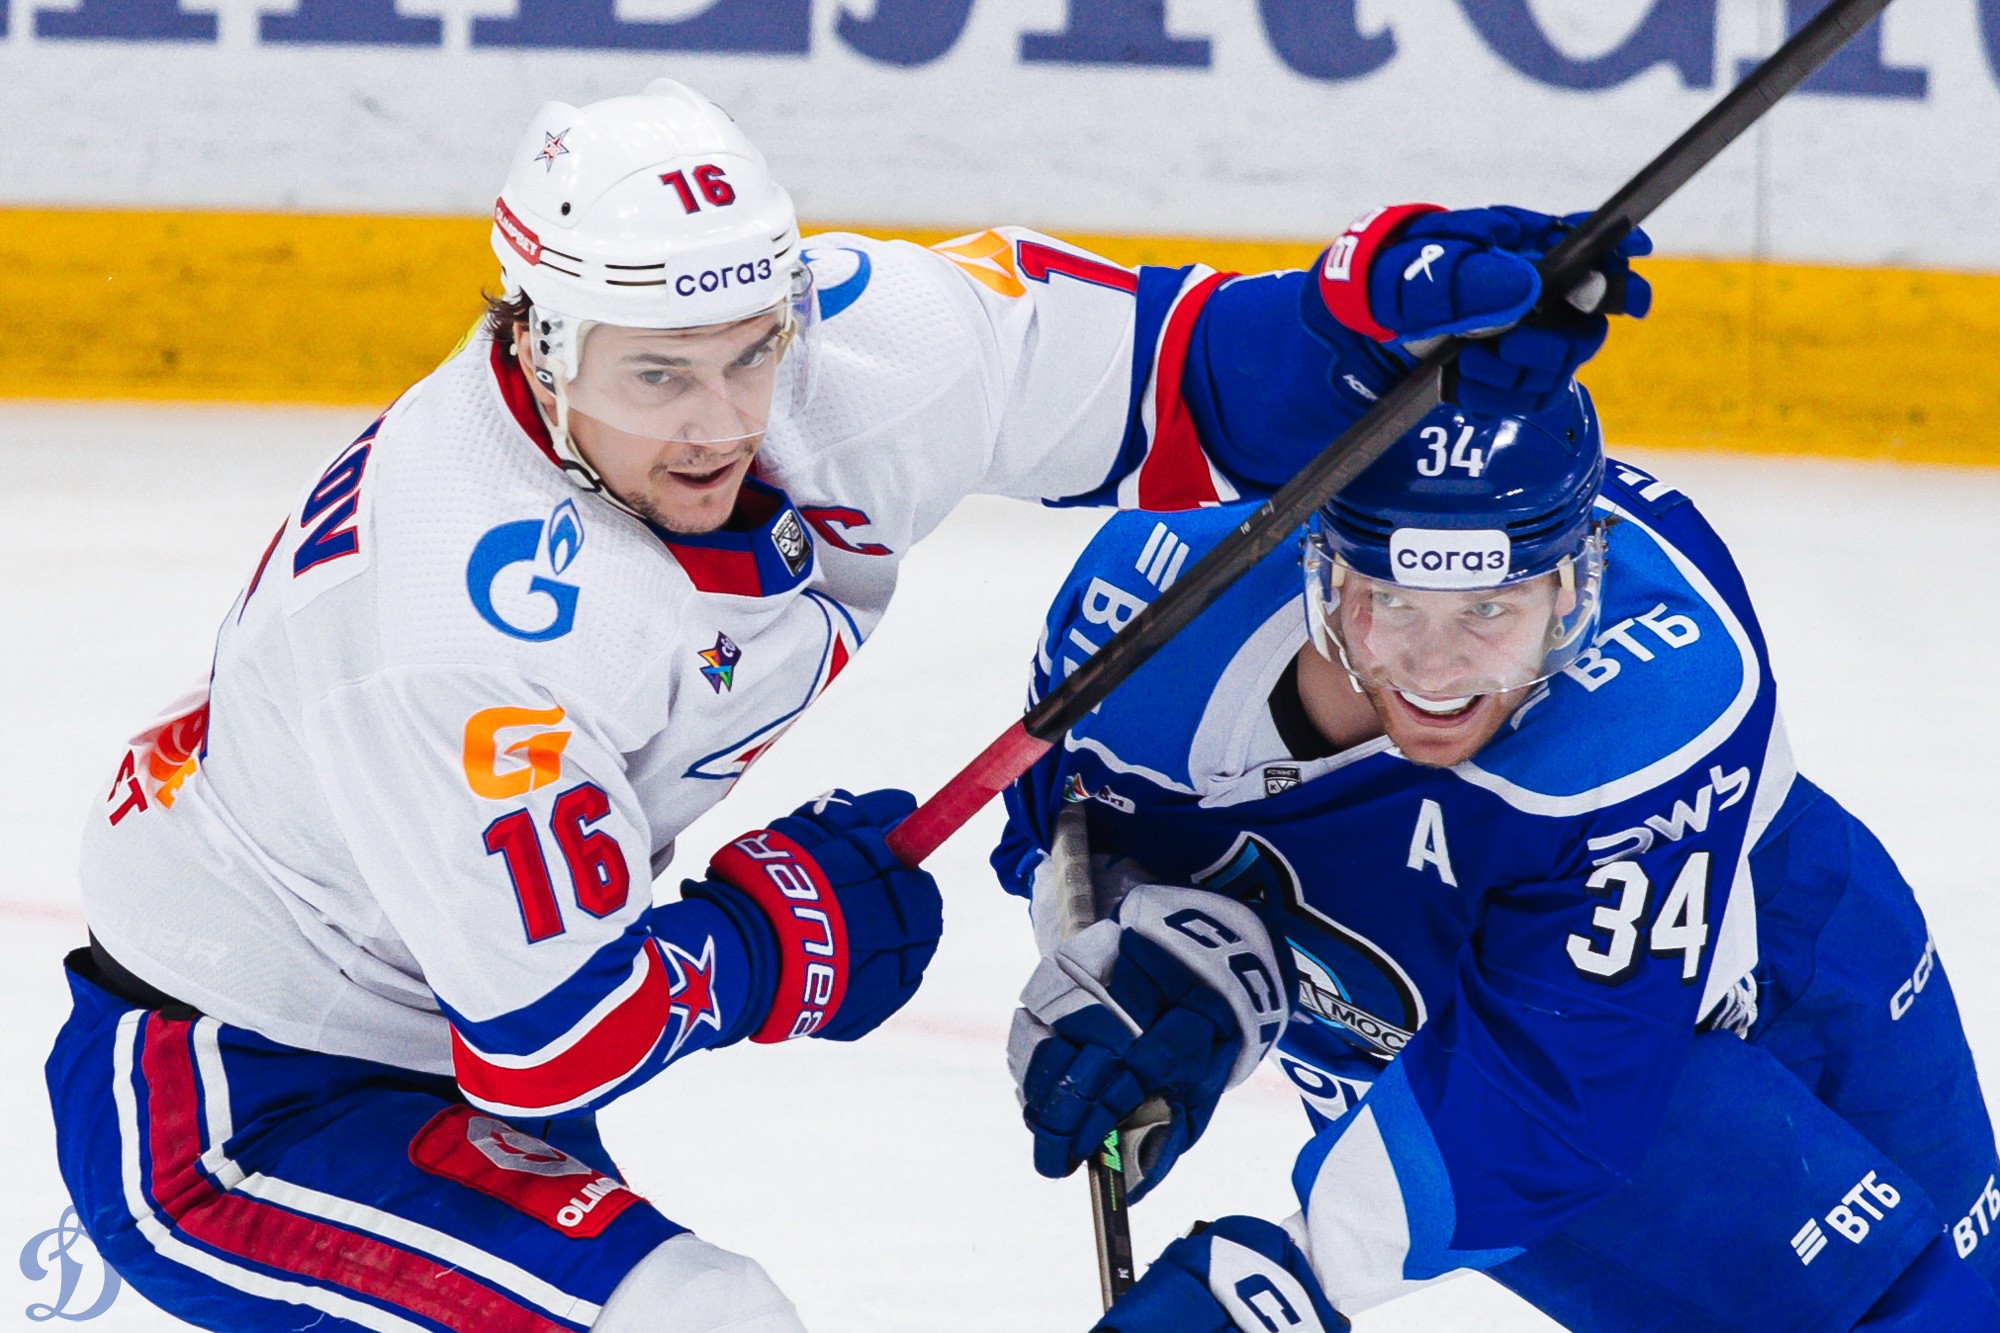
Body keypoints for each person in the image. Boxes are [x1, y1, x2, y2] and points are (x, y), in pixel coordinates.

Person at [46, 75, 1644, 1332]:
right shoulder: (457, 624)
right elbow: (554, 1039)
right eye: (657, 375)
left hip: (441, 1007)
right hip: (248, 1090)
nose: (721, 423)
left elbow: (1178, 373)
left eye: (749, 355)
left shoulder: (849, 345)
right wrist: (777, 935)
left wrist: (1372, 330)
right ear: (533, 341)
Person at [994, 365, 2000, 1329]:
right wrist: (1163, 950)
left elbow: (1560, 1080)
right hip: (1441, 1040)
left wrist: (1298, 1274)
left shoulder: (1660, 688)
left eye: (1490, 611)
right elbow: (1067, 826)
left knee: (1948, 1305)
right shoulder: (1141, 619)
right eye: (1391, 603)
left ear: (1574, 585)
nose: (1436, 673)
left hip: (1736, 984)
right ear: (1321, 567)